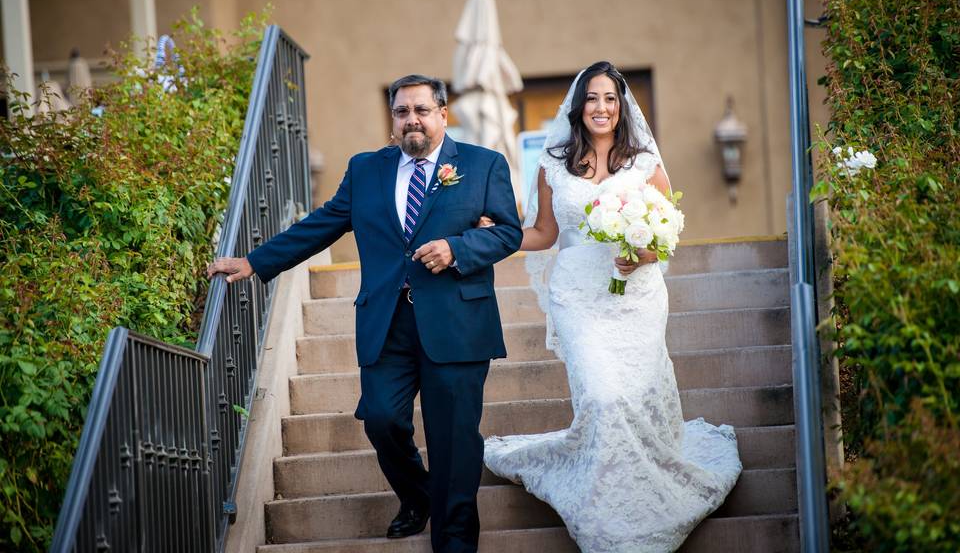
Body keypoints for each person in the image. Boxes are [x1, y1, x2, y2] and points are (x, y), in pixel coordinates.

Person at [207, 74, 522, 553]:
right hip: (387, 322)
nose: (411, 120)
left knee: (454, 442)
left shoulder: (483, 165)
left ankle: (454, 543)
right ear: (393, 119)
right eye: (401, 112)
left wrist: (457, 249)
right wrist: (255, 261)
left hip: (457, 323)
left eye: (421, 110)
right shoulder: (366, 169)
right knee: (380, 418)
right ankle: (418, 495)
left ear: (442, 113)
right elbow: (323, 224)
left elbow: (507, 232)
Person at [481, 62, 742, 552]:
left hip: (635, 296)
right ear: (578, 107)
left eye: (610, 99)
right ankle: (608, 512)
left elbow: (667, 234)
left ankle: (645, 497)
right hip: (577, 295)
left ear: (621, 108)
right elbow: (543, 234)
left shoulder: (644, 162)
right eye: (593, 98)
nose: (601, 107)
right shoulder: (553, 165)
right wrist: (493, 234)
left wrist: (643, 253)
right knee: (603, 398)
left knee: (632, 399)